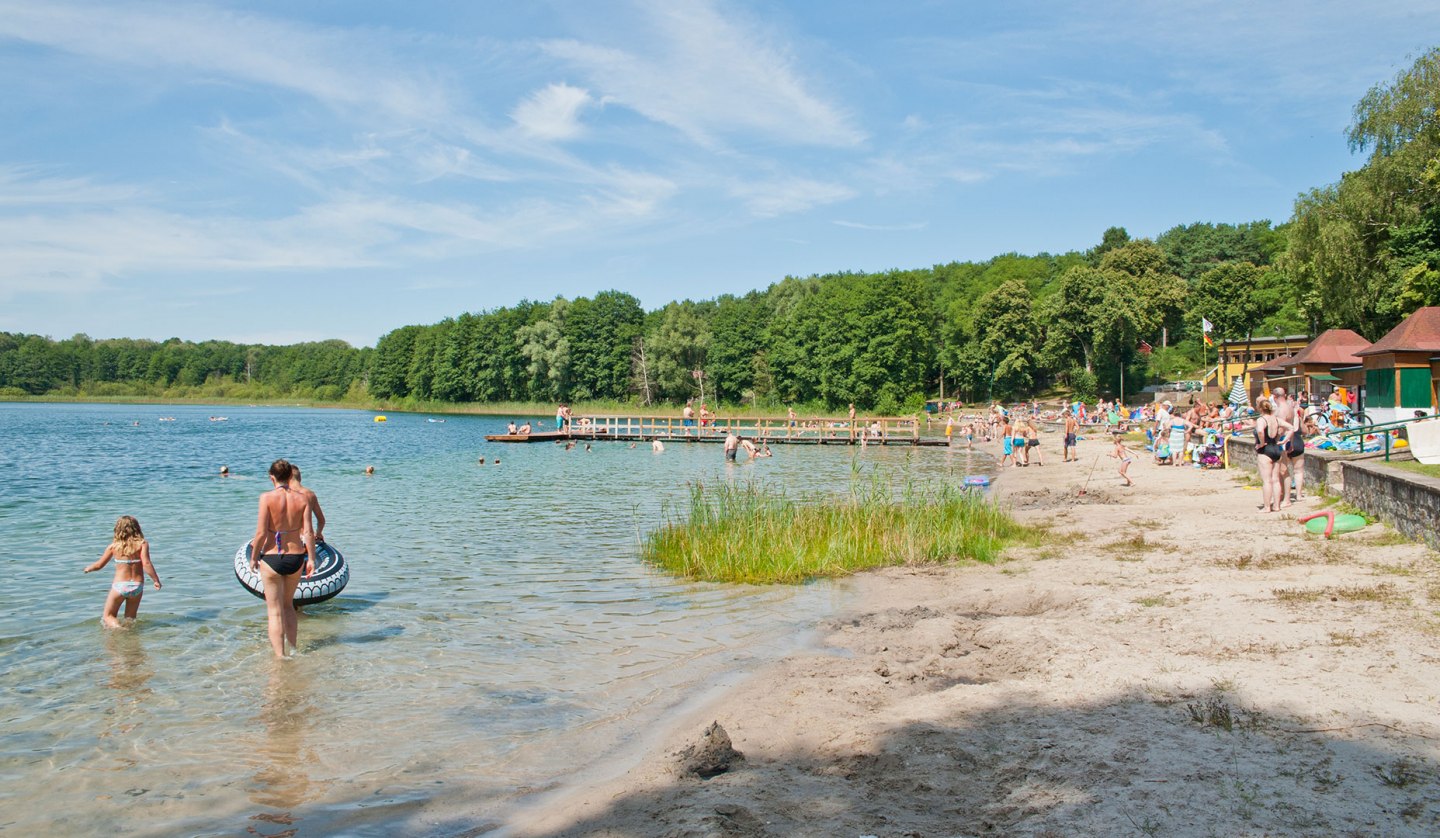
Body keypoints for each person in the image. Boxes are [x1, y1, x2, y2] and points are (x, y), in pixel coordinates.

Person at [250, 459, 317, 658]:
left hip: (272, 559)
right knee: (288, 606)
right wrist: (311, 559)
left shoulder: (266, 498)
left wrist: (254, 557)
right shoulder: (303, 498)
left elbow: (261, 533)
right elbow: (309, 532)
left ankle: (281, 657)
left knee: (274, 611)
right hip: (296, 557)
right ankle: (294, 650)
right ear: (290, 477)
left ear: (272, 478)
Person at [84, 515, 162, 628]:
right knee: (130, 618)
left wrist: (88, 568)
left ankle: (119, 630)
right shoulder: (142, 544)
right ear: (137, 528)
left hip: (120, 586)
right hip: (137, 586)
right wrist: (156, 580)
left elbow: (99, 565)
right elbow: (146, 563)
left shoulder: (113, 547)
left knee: (108, 616)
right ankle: (129, 640)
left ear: (117, 530)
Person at [1252, 398, 1294, 513]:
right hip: (1276, 448)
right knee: (1275, 480)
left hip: (1265, 450)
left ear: (1260, 408)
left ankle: (1267, 507)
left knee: (1267, 481)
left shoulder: (1261, 419)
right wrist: (1284, 440)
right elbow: (1291, 428)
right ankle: (1276, 505)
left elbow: (1260, 431)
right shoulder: (1276, 419)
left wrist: (1261, 443)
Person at [290, 464, 326, 544]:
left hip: (290, 539)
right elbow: (321, 520)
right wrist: (318, 533)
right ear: (300, 478)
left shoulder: (283, 494)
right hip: (307, 538)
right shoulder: (310, 494)